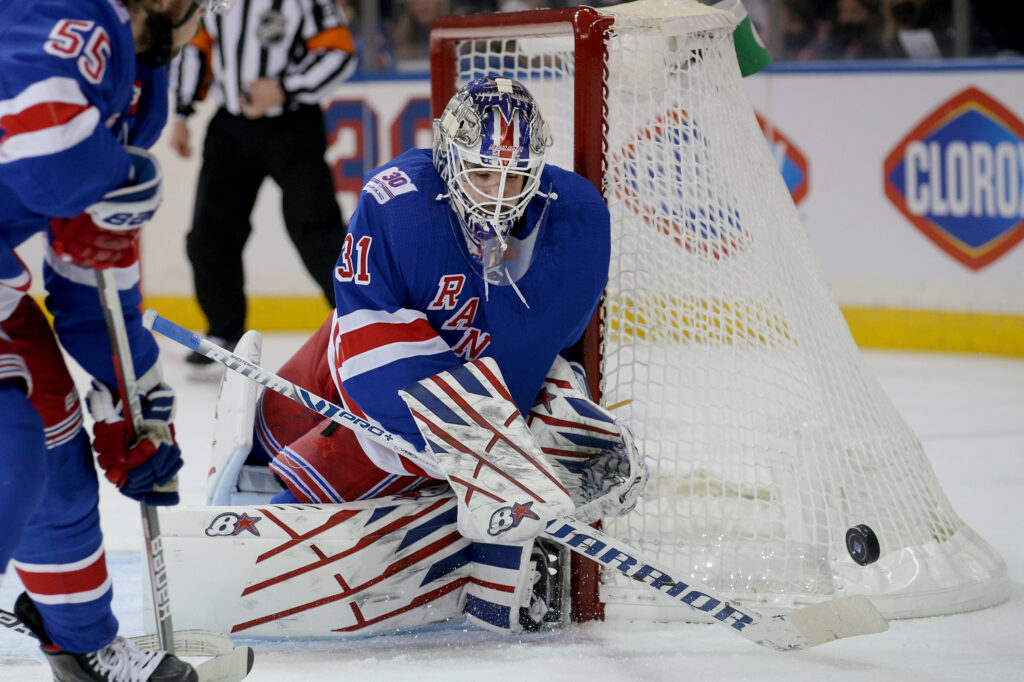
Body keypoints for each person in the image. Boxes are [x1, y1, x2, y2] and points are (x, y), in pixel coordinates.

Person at [220, 76, 646, 631]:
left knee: (305, 491)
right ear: (448, 157)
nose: (499, 194)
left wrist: (546, 412)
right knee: (266, 442)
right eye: (484, 172)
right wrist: (478, 448)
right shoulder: (397, 199)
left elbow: (549, 344)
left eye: (516, 175)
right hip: (368, 367)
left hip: (449, 396)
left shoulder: (578, 218)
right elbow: (367, 350)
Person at [0, 1, 235, 680]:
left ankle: (79, 643)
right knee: (12, 451)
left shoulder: (132, 70)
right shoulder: (67, 14)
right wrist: (107, 176)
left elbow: (86, 275)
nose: (204, 24)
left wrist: (136, 395)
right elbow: (42, 146)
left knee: (52, 454)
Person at [169, 0, 357, 375]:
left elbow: (339, 52)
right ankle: (223, 330)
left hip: (293, 125)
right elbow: (195, 45)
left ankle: (357, 322)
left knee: (315, 227)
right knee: (210, 232)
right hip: (231, 127)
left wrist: (285, 88)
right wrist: (182, 112)